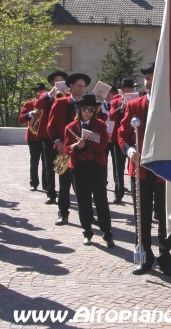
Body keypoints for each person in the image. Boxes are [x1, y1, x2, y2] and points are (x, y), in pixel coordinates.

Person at [117, 62, 171, 276]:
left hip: (163, 171)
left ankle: (165, 257)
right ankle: (144, 257)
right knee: (141, 216)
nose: (150, 82)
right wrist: (129, 150)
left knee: (164, 217)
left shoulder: (169, 106)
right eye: (147, 78)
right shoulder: (134, 106)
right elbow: (121, 134)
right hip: (139, 170)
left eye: (154, 78)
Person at [64, 93, 114, 248]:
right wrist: (76, 147)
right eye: (85, 109)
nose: (88, 112)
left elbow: (103, 144)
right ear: (79, 109)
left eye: (91, 110)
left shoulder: (100, 125)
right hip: (78, 167)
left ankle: (107, 233)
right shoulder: (70, 127)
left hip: (96, 166)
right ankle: (87, 232)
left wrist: (88, 144)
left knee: (101, 200)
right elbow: (66, 148)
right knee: (83, 201)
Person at [47, 72, 91, 225]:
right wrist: (58, 142)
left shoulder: (88, 105)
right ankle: (63, 213)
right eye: (79, 85)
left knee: (84, 187)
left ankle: (87, 215)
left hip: (82, 153)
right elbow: (50, 127)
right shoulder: (60, 103)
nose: (82, 88)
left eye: (84, 86)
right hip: (65, 151)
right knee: (64, 185)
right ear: (70, 87)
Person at [35, 70, 69, 204]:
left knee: (64, 163)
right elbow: (37, 106)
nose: (58, 83)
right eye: (56, 81)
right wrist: (50, 94)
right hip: (47, 134)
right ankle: (51, 192)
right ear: (51, 83)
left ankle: (64, 192)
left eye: (61, 80)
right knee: (48, 164)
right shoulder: (45, 95)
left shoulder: (68, 95)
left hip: (63, 134)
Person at [109, 78, 138, 203]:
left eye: (129, 88)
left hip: (135, 136)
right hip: (118, 138)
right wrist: (121, 108)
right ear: (121, 89)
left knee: (135, 166)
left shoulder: (138, 100)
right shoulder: (116, 101)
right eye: (125, 88)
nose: (127, 90)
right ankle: (118, 192)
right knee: (118, 167)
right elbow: (111, 116)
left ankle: (137, 191)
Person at [19, 83, 48, 192]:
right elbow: (21, 119)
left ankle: (46, 184)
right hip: (33, 136)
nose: (40, 93)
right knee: (34, 160)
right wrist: (31, 114)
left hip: (45, 135)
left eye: (43, 91)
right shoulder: (29, 104)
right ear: (35, 93)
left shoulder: (48, 104)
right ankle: (33, 183)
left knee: (46, 161)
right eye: (38, 91)